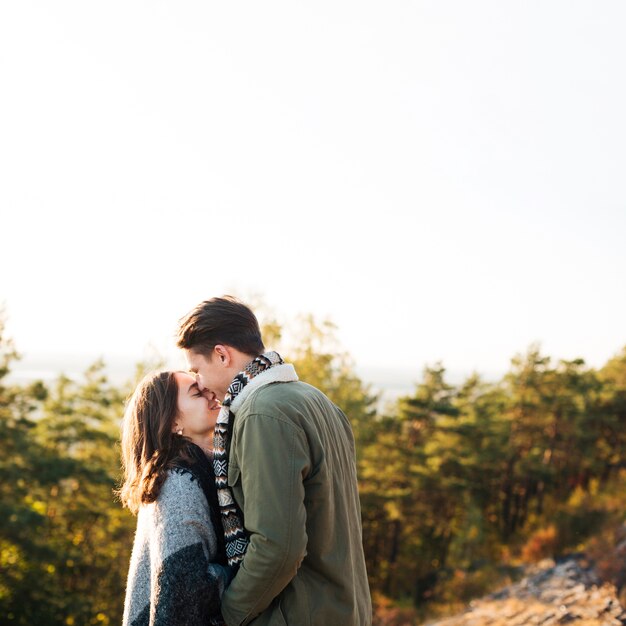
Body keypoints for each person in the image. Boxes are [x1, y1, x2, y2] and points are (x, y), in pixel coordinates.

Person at [177, 296, 372, 626]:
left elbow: (278, 548)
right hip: (344, 609)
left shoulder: (261, 413)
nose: (199, 383)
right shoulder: (317, 400)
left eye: (197, 370)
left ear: (222, 354)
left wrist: (227, 615)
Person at [119, 370, 231, 626]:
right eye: (197, 392)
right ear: (173, 423)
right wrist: (248, 568)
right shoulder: (180, 484)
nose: (211, 394)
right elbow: (185, 591)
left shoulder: (197, 472)